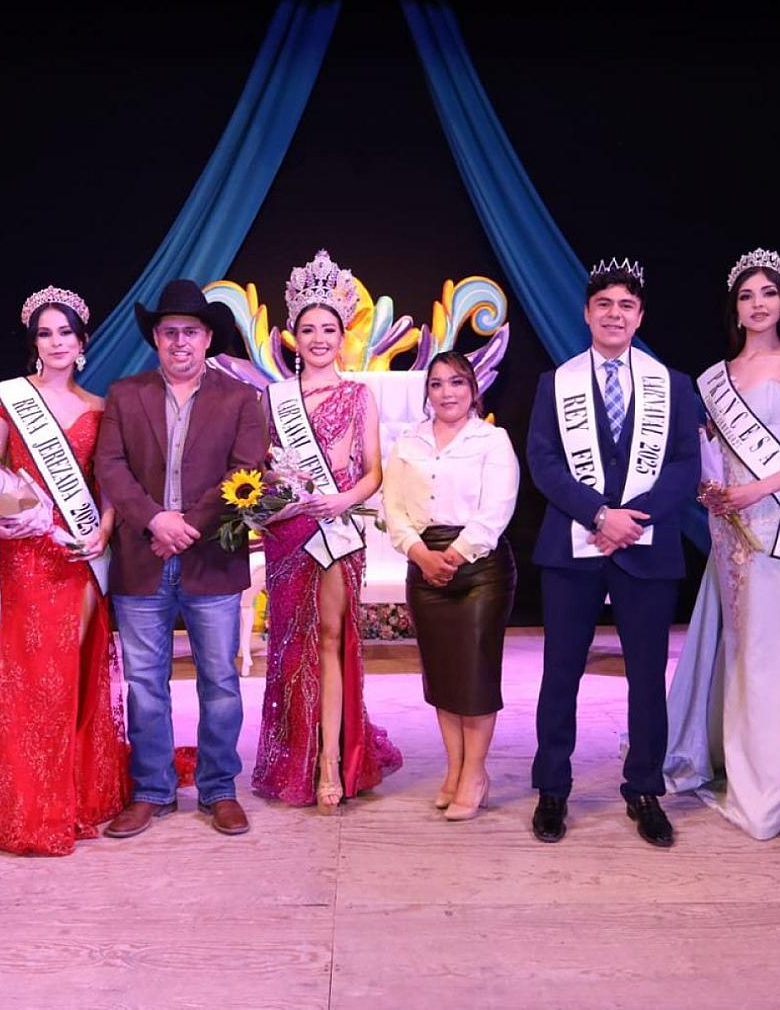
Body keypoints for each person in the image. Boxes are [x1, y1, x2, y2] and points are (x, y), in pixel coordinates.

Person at [661, 250, 780, 839]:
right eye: (746, 295)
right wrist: (710, 488)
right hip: (729, 529)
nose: (757, 304)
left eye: (768, 294)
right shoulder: (716, 377)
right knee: (736, 652)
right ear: (734, 309)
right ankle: (736, 769)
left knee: (774, 657)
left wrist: (759, 488)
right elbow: (711, 452)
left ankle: (770, 794)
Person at [526, 257, 701, 846]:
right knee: (560, 673)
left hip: (646, 547)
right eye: (604, 304)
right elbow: (544, 461)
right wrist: (600, 515)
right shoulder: (557, 382)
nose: (614, 314)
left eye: (626, 305)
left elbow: (684, 464)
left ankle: (645, 788)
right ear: (586, 313)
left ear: (640, 316)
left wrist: (633, 520)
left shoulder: (672, 385)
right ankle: (553, 788)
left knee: (647, 678)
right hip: (573, 546)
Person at [95, 278, 266, 838]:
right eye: (169, 332)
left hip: (210, 558)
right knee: (145, 683)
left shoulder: (240, 398)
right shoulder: (125, 394)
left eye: (190, 331)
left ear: (208, 338)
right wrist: (155, 520)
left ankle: (219, 788)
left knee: (220, 680)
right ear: (156, 339)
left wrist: (185, 525)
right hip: (142, 557)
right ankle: (152, 789)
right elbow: (110, 466)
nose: (179, 342)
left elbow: (247, 470)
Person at [251, 249, 403, 811]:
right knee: (291, 645)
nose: (319, 339)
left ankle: (331, 761)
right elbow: (259, 472)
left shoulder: (359, 395)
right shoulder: (272, 399)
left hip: (335, 530)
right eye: (309, 329)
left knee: (332, 639)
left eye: (329, 329)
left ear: (343, 337)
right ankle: (296, 751)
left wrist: (340, 499)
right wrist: (278, 496)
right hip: (289, 534)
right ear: (294, 336)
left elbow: (373, 473)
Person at [0, 286, 129, 855]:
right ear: (33, 344)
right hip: (28, 555)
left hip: (78, 553)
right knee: (30, 675)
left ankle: (73, 794)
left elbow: (108, 484)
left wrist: (103, 530)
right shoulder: (9, 398)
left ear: (82, 341)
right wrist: (8, 515)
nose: (56, 342)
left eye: (65, 332)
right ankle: (31, 802)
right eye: (45, 333)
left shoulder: (99, 407)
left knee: (71, 671)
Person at [384, 350, 518, 821]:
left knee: (474, 675)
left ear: (473, 389)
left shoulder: (492, 440)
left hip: (479, 569)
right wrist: (420, 555)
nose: (447, 393)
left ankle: (476, 773)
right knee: (442, 676)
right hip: (424, 565)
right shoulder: (408, 442)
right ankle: (455, 768)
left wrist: (456, 556)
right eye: (437, 384)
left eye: (457, 382)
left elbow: (496, 510)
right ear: (428, 392)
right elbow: (393, 508)